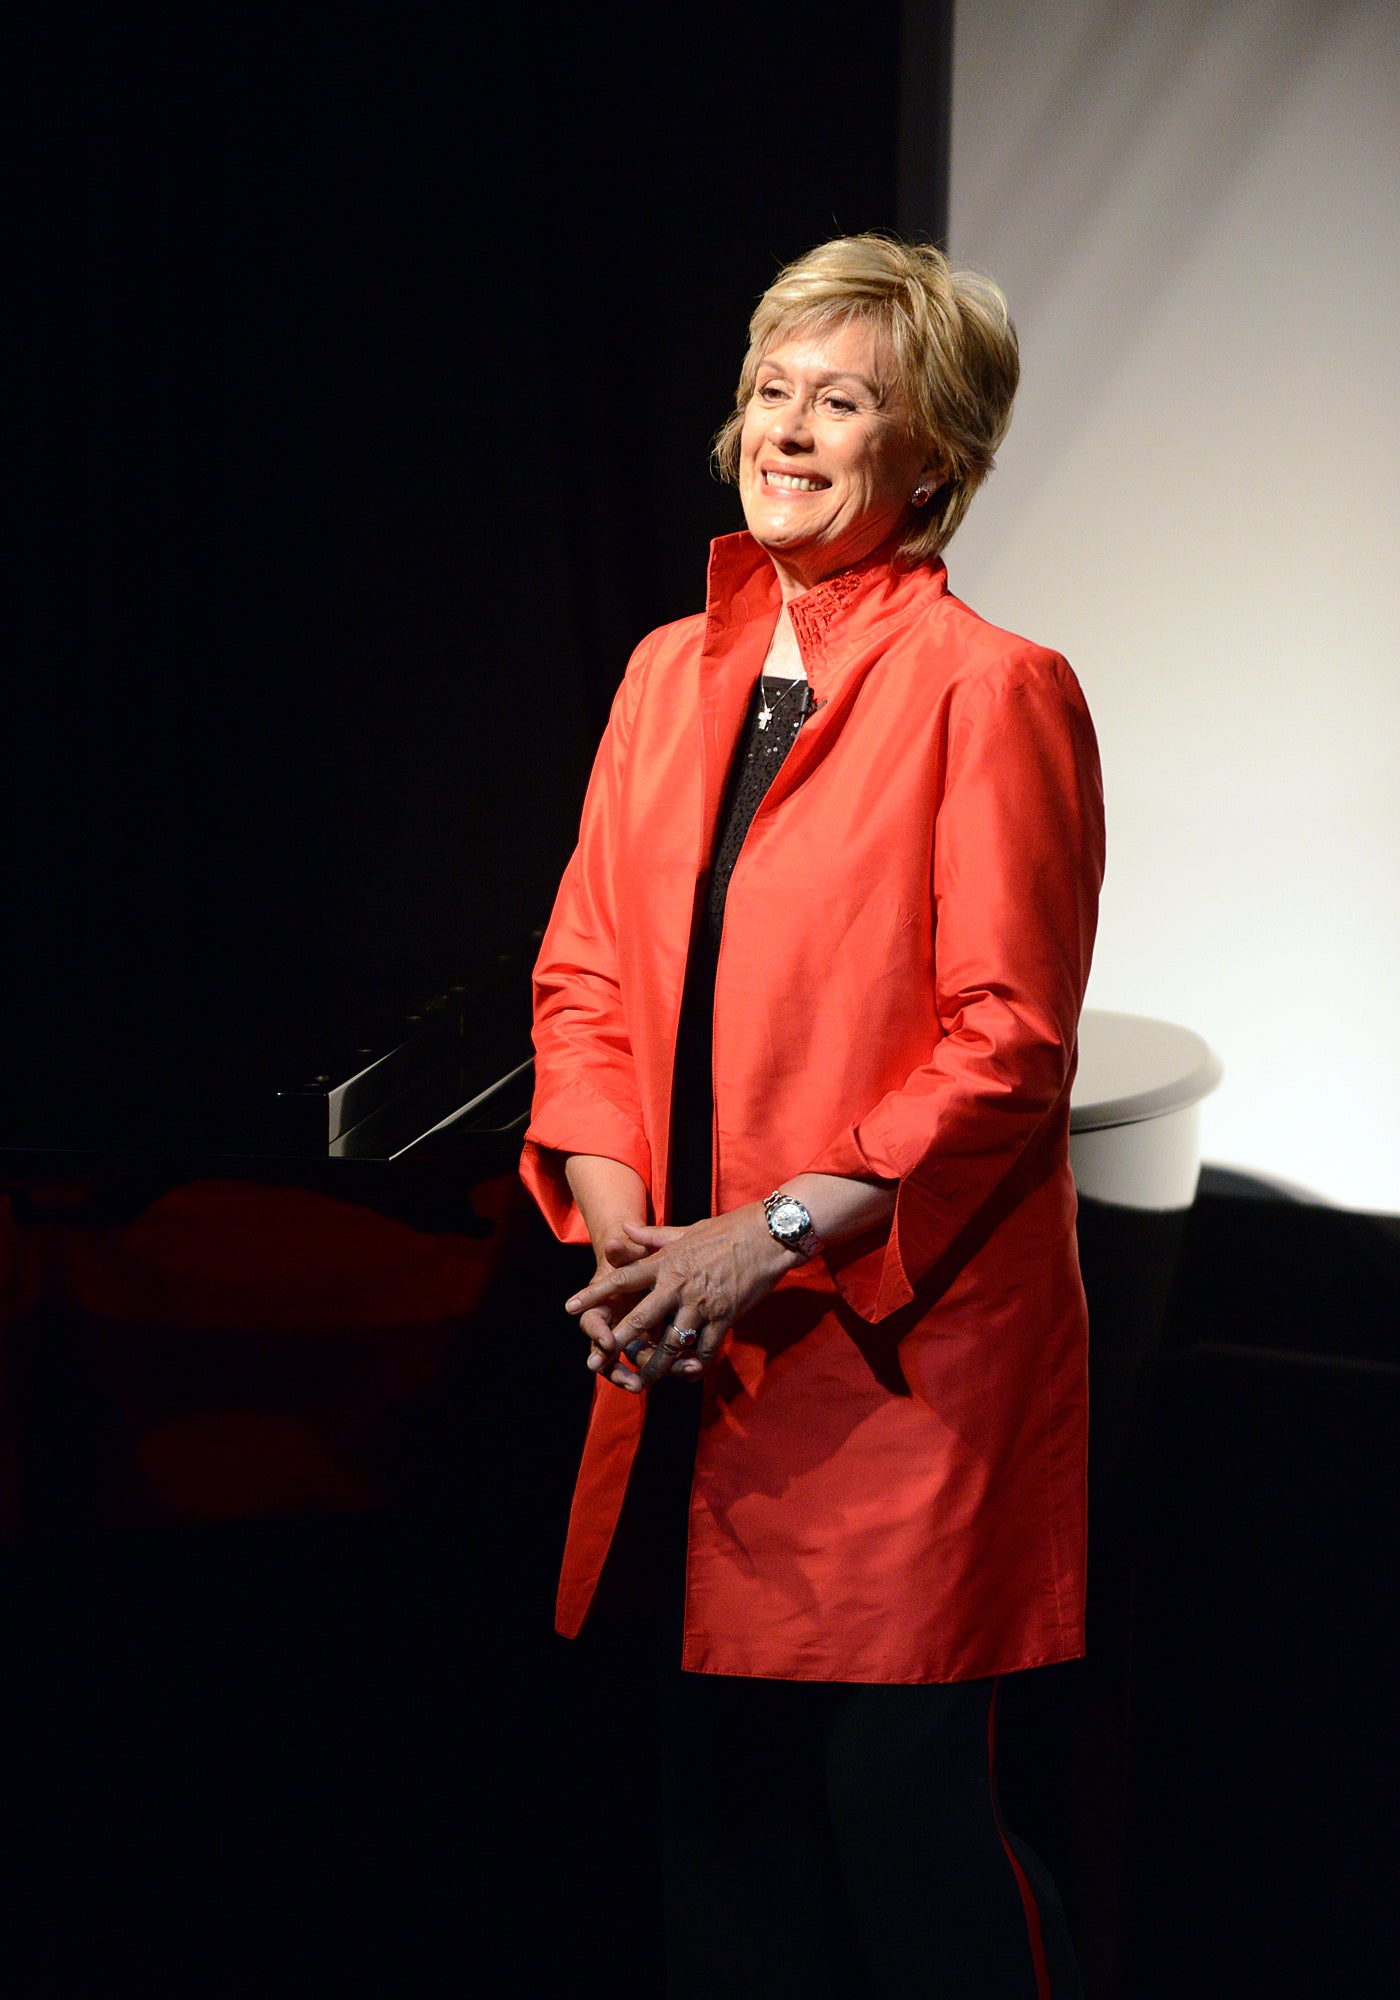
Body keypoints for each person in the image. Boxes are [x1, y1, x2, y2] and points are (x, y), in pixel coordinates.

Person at [521, 233, 1104, 1999]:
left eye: (841, 401)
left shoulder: (993, 689)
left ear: (934, 455)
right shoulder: (661, 675)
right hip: (688, 1333)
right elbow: (590, 983)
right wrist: (633, 1235)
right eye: (773, 390)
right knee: (723, 1832)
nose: (788, 430)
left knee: (906, 1829)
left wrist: (760, 1236)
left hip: (893, 1359)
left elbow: (1005, 1040)